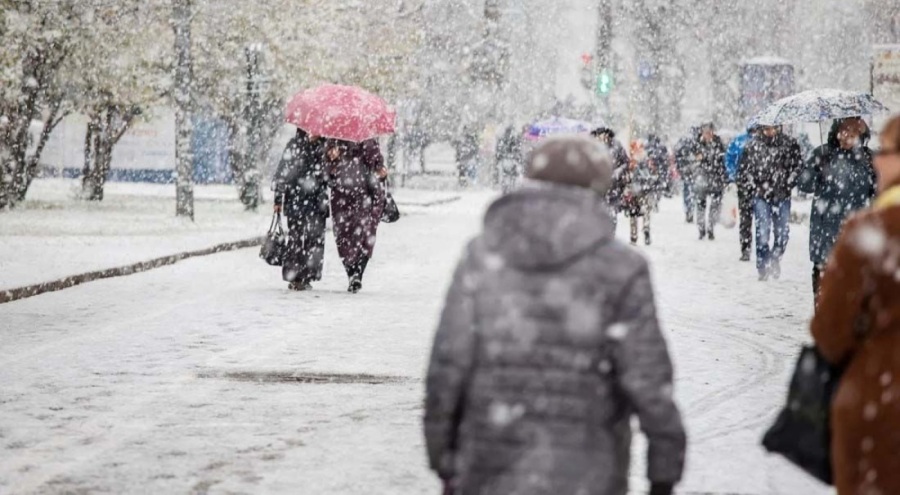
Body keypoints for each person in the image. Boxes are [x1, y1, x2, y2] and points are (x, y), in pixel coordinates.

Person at [424, 135, 686, 495]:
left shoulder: (482, 257)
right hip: (587, 471)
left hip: (489, 463)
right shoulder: (623, 268)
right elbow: (648, 378)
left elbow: (448, 362)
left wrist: (442, 452)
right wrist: (664, 470)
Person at [810, 114, 900, 495]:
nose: (876, 159)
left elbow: (829, 332)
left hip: (880, 408)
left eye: (885, 150)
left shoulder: (873, 232)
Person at [798, 117, 876, 296]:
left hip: (857, 230)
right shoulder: (822, 154)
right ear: (836, 132)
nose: (847, 136)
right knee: (824, 281)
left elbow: (878, 192)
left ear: (861, 134)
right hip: (825, 228)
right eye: (844, 131)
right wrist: (815, 171)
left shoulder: (868, 158)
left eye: (853, 132)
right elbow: (804, 185)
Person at [740, 125, 803, 281]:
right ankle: (762, 265)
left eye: (773, 128)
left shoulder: (789, 144)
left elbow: (798, 166)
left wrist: (789, 182)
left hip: (782, 194)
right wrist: (754, 185)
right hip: (761, 195)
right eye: (767, 128)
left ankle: (775, 259)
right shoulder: (752, 145)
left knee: (782, 235)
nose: (770, 131)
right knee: (763, 232)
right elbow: (744, 169)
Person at [325, 138, 387, 293]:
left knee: (366, 235)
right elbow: (327, 171)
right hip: (342, 196)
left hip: (364, 195)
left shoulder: (369, 140)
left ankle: (357, 274)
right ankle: (352, 273)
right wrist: (331, 160)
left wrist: (381, 170)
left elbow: (378, 166)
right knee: (343, 235)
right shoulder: (334, 140)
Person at [272, 129, 328, 291]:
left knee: (314, 240)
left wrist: (330, 158)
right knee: (295, 238)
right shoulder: (294, 145)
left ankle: (308, 275)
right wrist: (278, 199)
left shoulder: (325, 147)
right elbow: (282, 172)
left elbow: (330, 175)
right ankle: (295, 276)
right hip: (296, 199)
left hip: (317, 201)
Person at [684, 124, 727, 240]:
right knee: (701, 204)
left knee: (715, 205)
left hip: (716, 178)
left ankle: (711, 227)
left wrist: (723, 175)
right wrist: (697, 160)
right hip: (702, 177)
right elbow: (691, 159)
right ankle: (701, 228)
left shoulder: (718, 143)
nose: (707, 135)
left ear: (712, 132)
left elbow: (723, 160)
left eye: (709, 132)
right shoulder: (697, 144)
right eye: (705, 132)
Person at [591, 127, 630, 230]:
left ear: (607, 134)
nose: (600, 137)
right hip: (597, 188)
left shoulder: (616, 146)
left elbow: (625, 162)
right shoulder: (591, 147)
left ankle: (610, 235)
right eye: (598, 135)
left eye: (603, 134)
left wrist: (618, 172)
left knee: (612, 215)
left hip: (614, 187)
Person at [729, 127, 757, 261]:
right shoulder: (741, 141)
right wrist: (733, 176)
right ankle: (746, 248)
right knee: (746, 219)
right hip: (745, 185)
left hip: (762, 187)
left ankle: (761, 249)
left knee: (761, 221)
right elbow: (731, 159)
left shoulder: (766, 142)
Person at [622, 140, 657, 246]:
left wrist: (626, 188)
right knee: (645, 211)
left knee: (634, 214)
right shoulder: (647, 160)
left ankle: (633, 237)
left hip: (634, 190)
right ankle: (646, 229)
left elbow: (626, 178)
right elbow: (654, 174)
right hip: (645, 190)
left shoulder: (631, 162)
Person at [674, 127, 699, 223]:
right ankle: (691, 208)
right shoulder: (697, 142)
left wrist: (680, 168)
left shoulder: (683, 142)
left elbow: (677, 156)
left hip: (685, 170)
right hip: (694, 170)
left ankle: (688, 209)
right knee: (692, 190)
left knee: (687, 190)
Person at [495, 125, 524, 194]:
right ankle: (511, 188)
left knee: (505, 175)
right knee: (512, 175)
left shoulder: (503, 139)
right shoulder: (515, 139)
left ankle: (505, 189)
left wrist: (499, 158)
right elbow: (518, 150)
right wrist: (518, 159)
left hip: (504, 159)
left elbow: (498, 150)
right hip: (512, 160)